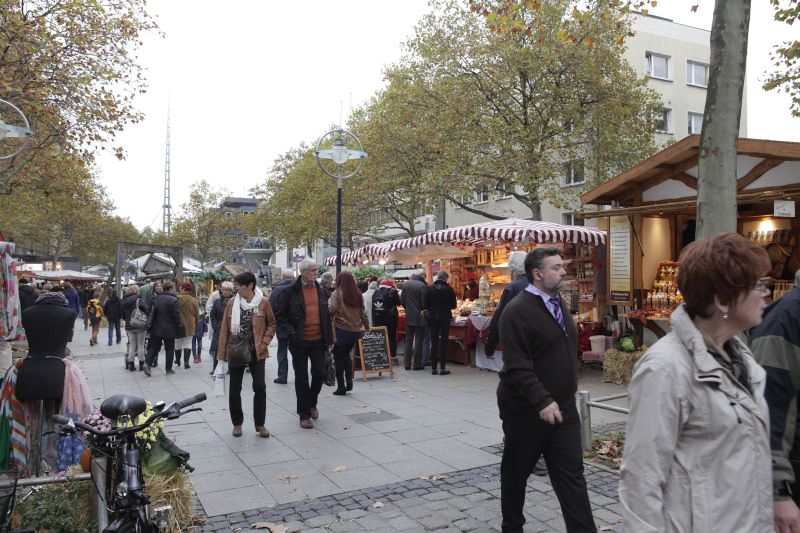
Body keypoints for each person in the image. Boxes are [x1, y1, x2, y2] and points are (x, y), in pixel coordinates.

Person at [620, 233, 773, 533]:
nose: (765, 293)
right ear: (722, 300)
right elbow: (641, 477)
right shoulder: (665, 368)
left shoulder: (740, 359)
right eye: (757, 285)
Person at [497, 248, 596, 533]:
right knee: (516, 473)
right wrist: (542, 400)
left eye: (562, 266)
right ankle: (512, 526)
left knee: (572, 476)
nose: (563, 271)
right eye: (556, 267)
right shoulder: (517, 311)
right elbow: (517, 366)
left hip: (563, 409)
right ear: (537, 274)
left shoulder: (557, 303)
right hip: (527, 411)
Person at [750, 268, 800, 532]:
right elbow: (770, 406)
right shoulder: (786, 318)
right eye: (758, 286)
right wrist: (778, 491)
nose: (765, 293)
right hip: (794, 473)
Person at [217, 272, 276, 438]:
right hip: (236, 349)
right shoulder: (231, 303)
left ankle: (260, 424)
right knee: (235, 388)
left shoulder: (263, 302)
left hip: (257, 350)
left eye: (238, 285)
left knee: (260, 387)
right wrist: (221, 352)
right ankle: (237, 423)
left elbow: (272, 323)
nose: (236, 288)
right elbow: (224, 328)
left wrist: (264, 341)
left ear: (250, 285)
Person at [275, 258, 333, 429]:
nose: (315, 274)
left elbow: (328, 316)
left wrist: (330, 339)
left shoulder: (322, 290)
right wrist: (291, 334)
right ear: (303, 272)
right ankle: (304, 414)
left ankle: (312, 403)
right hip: (299, 341)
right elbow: (280, 316)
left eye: (316, 270)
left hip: (319, 340)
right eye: (312, 271)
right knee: (301, 378)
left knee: (319, 373)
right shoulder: (290, 291)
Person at [328, 271, 370, 395]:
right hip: (355, 330)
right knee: (346, 355)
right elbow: (363, 312)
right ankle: (349, 383)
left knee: (338, 357)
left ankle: (341, 387)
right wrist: (367, 326)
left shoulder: (337, 293)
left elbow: (331, 309)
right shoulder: (358, 293)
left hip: (341, 329)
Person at [485, 251, 528, 358]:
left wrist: (490, 347)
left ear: (512, 269)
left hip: (518, 343)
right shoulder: (539, 284)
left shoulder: (511, 288)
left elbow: (499, 318)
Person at [144, 281, 184, 376]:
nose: (175, 290)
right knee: (169, 348)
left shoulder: (157, 298)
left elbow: (150, 311)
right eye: (174, 288)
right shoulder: (174, 300)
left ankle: (148, 364)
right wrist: (179, 326)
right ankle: (168, 369)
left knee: (154, 347)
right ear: (170, 289)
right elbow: (176, 315)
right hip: (169, 328)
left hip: (156, 327)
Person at [21, 290, 75, 357]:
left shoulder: (27, 312)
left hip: (33, 357)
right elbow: (69, 337)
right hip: (58, 357)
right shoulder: (70, 313)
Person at [427, 271, 457, 375]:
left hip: (433, 317)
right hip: (445, 317)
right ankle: (442, 368)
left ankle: (433, 368)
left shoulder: (430, 289)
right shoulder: (449, 289)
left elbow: (425, 304)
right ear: (445, 278)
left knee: (434, 341)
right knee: (444, 342)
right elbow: (453, 305)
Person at [269, 269, 295, 384]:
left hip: (281, 326)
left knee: (282, 352)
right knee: (297, 353)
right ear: (293, 277)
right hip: (296, 327)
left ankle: (282, 376)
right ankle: (299, 374)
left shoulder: (276, 291)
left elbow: (271, 309)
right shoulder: (298, 289)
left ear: (283, 278)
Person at [400, 273, 427, 371]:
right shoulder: (422, 286)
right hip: (420, 317)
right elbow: (424, 303)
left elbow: (402, 301)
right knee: (419, 340)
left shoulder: (406, 284)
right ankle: (416, 364)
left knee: (408, 340)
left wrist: (408, 309)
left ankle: (407, 364)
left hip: (409, 316)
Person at [372, 276, 401, 361]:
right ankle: (392, 355)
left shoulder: (376, 291)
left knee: (381, 336)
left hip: (378, 317)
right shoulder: (393, 290)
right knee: (392, 336)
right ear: (391, 281)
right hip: (391, 317)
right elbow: (398, 303)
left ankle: (381, 355)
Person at [209, 281, 234, 375]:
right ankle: (215, 368)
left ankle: (231, 368)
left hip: (230, 328)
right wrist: (215, 326)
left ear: (231, 291)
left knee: (230, 349)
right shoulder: (217, 301)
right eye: (224, 290)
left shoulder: (235, 301)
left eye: (228, 290)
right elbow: (213, 315)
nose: (225, 292)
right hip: (219, 328)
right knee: (217, 349)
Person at [121, 285, 148, 371]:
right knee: (141, 344)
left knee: (132, 344)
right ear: (137, 291)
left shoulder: (124, 301)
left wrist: (128, 319)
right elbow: (147, 309)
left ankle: (131, 364)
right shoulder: (139, 300)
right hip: (140, 325)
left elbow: (122, 314)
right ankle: (141, 364)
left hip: (129, 325)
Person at [175, 282, 199, 369]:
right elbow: (197, 315)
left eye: (180, 288)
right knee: (188, 343)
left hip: (178, 324)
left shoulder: (176, 299)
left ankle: (178, 361)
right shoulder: (194, 300)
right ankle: (186, 363)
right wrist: (196, 325)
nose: (179, 289)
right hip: (190, 324)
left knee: (177, 343)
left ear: (183, 289)